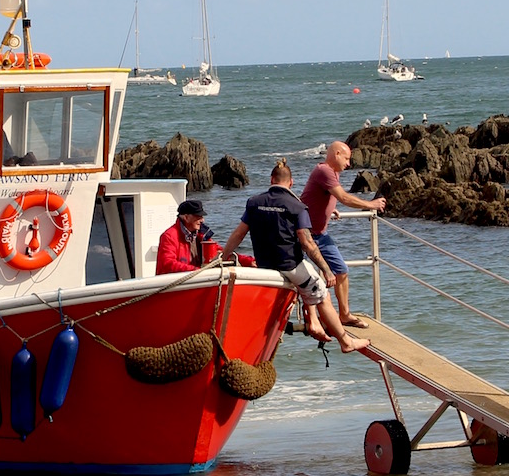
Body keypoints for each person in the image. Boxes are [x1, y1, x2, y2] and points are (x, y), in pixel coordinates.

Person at [222, 161, 368, 354]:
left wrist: (223, 257)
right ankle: (345, 341)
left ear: (271, 180)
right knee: (322, 293)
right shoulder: (297, 207)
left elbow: (238, 234)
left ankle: (313, 322)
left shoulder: (254, 202)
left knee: (309, 281)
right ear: (291, 183)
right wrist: (326, 270)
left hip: (265, 266)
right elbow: (308, 244)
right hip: (289, 266)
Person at [301, 141, 386, 330]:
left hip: (320, 234)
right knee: (310, 278)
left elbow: (323, 196)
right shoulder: (323, 170)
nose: (348, 164)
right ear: (337, 154)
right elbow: (345, 197)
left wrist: (331, 209)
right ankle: (315, 319)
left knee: (342, 270)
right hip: (305, 235)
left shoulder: (333, 173)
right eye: (346, 159)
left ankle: (344, 314)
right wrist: (371, 204)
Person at [156, 199, 220, 274]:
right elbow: (167, 264)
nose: (202, 220)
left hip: (196, 279)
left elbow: (217, 250)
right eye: (198, 216)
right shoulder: (169, 236)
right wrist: (197, 270)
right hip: (176, 282)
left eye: (202, 216)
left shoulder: (202, 234)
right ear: (186, 218)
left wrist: (234, 257)